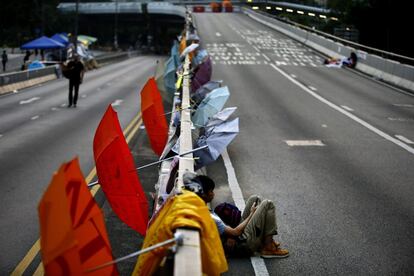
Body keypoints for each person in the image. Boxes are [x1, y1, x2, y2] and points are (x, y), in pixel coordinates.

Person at [187, 175, 289, 258]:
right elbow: (235, 232)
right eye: (211, 191)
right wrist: (251, 214)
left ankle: (264, 243)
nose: (213, 194)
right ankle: (268, 247)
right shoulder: (208, 216)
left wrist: (230, 235)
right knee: (268, 204)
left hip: (235, 238)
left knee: (255, 199)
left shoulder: (202, 208)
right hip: (242, 245)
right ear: (203, 195)